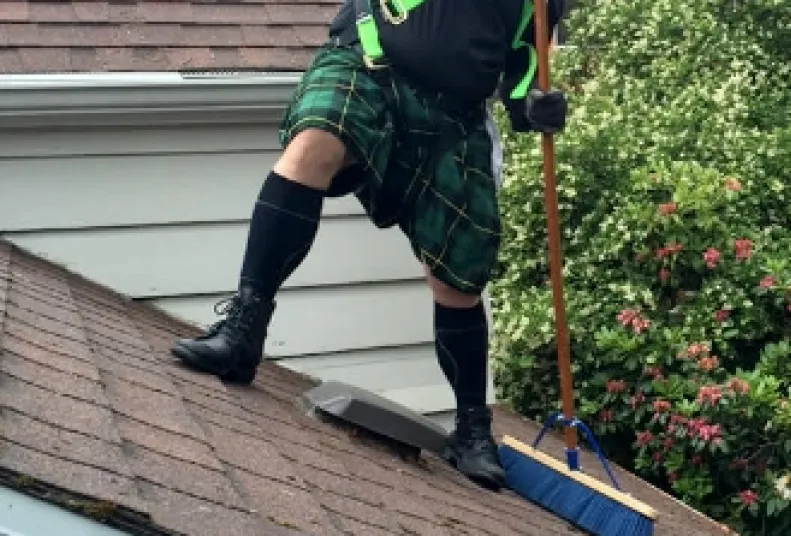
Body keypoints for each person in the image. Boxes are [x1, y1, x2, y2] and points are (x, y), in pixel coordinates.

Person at [170, 0, 568, 491]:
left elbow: (524, 77)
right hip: (366, 63)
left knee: (458, 276)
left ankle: (471, 428)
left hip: (454, 116)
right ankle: (243, 329)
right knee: (317, 136)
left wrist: (535, 109)